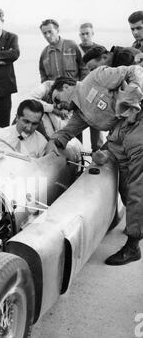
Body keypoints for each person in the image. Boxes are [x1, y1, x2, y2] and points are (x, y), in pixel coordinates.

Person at [46, 64, 143, 266]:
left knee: (137, 189)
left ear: (66, 87)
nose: (58, 105)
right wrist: (54, 142)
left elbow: (134, 70)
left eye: (56, 99)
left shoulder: (96, 78)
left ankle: (133, 246)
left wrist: (132, 95)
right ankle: (136, 225)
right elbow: (66, 132)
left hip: (139, 127)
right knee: (125, 188)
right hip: (120, 138)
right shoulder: (80, 115)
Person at [39, 19, 86, 83]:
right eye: (44, 33)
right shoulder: (44, 53)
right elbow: (43, 77)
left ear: (57, 31)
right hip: (55, 92)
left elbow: (85, 67)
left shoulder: (72, 45)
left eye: (50, 32)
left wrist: (81, 87)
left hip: (74, 90)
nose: (47, 35)